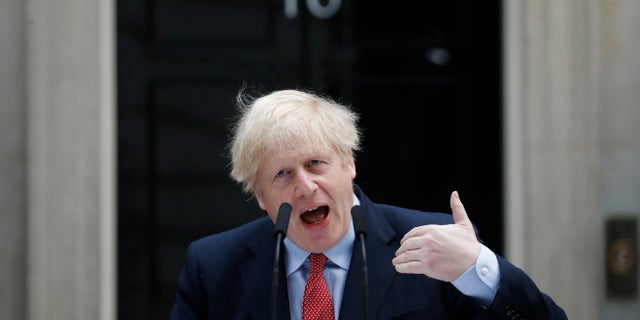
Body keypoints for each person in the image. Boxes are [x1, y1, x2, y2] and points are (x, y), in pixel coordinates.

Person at [170, 88, 567, 319]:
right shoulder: (213, 267)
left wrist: (481, 271)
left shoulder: (433, 244)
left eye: (315, 164)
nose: (306, 187)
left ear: (349, 163)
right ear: (260, 197)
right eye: (282, 175)